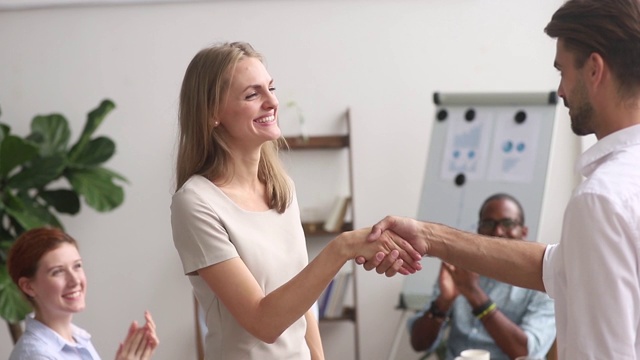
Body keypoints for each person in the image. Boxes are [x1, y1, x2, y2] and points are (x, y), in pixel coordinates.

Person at [362, 1, 640, 358]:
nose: (560, 91)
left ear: (594, 70)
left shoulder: (601, 198)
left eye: (563, 71)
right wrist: (429, 237)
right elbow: (552, 267)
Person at [170, 41, 419, 360]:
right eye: (252, 94)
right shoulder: (195, 203)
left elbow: (302, 304)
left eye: (270, 88)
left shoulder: (280, 188)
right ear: (212, 113)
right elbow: (263, 322)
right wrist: (342, 248)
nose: (272, 102)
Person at [407, 194, 555, 360]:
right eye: (488, 224)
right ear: (478, 231)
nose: (497, 232)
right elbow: (419, 344)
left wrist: (474, 294)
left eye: (508, 223)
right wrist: (443, 301)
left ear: (524, 231)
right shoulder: (459, 271)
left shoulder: (544, 280)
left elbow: (528, 353)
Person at [7, 227, 159, 360]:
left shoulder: (78, 340)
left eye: (77, 266)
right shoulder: (37, 355)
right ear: (28, 287)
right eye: (58, 271)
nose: (75, 280)